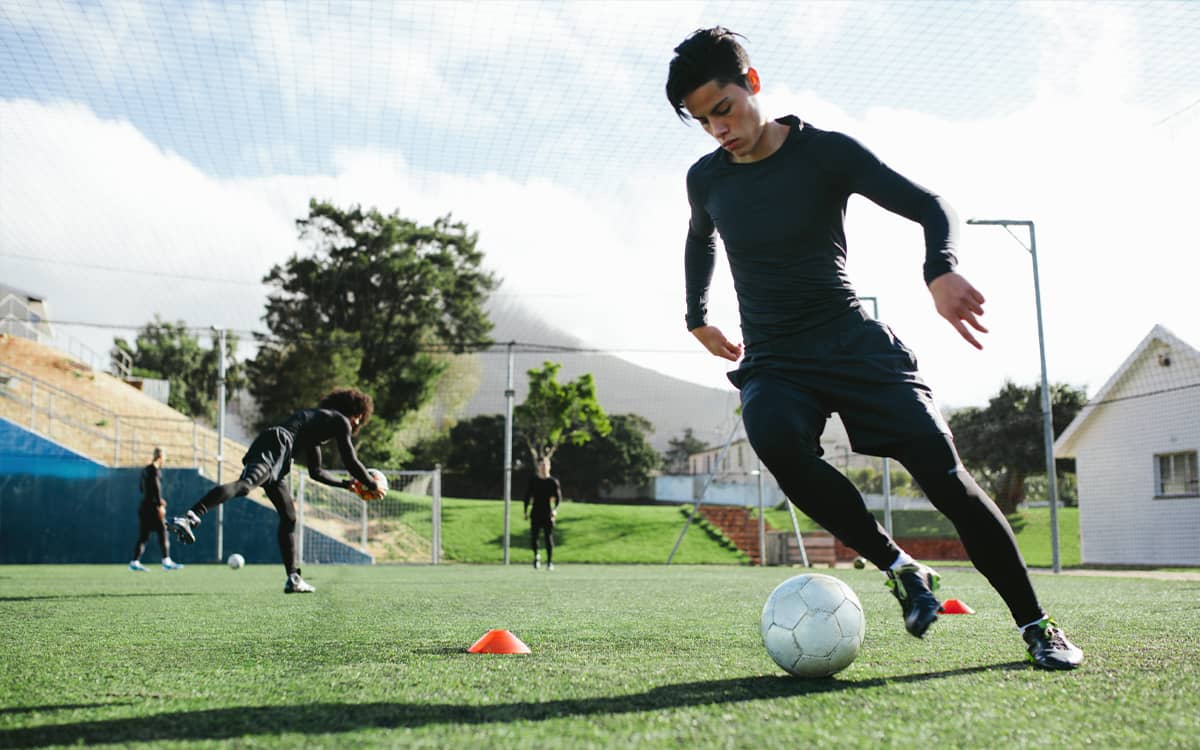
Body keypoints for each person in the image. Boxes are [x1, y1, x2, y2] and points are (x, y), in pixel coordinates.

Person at [666, 27, 1082, 670]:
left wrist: (939, 270)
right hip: (776, 358)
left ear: (751, 83)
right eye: (701, 121)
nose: (717, 128)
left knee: (949, 482)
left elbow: (930, 204)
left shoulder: (824, 153)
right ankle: (900, 567)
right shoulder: (707, 179)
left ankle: (1038, 626)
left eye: (722, 109)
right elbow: (700, 240)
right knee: (774, 436)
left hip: (853, 343)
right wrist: (697, 316)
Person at [167, 388, 382, 593]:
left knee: (289, 517)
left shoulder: (318, 427)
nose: (356, 423)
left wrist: (347, 485)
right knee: (245, 486)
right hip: (277, 445)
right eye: (359, 417)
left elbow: (316, 472)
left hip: (279, 455)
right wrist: (372, 484)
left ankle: (294, 578)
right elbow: (351, 461)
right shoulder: (339, 420)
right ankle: (190, 517)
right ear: (353, 412)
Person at [129, 446, 183, 571]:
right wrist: (159, 505)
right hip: (153, 508)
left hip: (144, 507)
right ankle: (166, 561)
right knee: (163, 533)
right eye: (164, 457)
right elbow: (156, 487)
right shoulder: (154, 470)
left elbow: (142, 488)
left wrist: (153, 499)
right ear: (160, 457)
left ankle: (134, 562)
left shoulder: (146, 470)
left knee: (143, 536)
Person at [523, 458, 562, 570]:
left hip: (547, 513)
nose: (543, 467)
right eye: (541, 465)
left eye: (545, 464)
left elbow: (558, 499)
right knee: (534, 537)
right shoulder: (533, 480)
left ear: (549, 466)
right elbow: (527, 496)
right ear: (538, 466)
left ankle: (549, 562)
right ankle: (536, 557)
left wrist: (555, 510)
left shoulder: (553, 482)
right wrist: (525, 510)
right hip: (535, 512)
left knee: (548, 537)